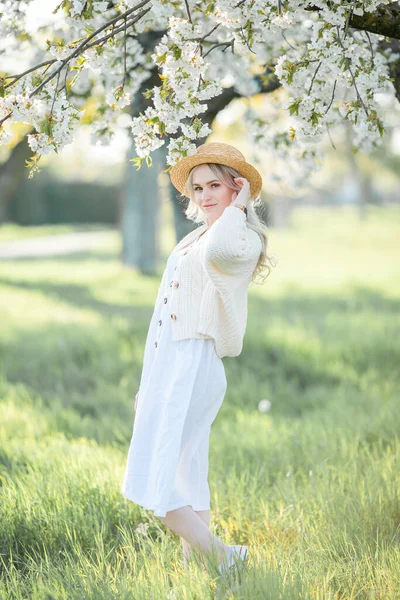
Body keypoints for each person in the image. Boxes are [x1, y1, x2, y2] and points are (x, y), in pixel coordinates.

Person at [120, 142, 274, 574]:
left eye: (216, 186)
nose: (205, 195)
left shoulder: (238, 236)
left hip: (195, 360)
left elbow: (219, 256)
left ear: (235, 189)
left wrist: (239, 209)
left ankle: (226, 556)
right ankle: (201, 572)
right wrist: (148, 381)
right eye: (198, 187)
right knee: (186, 470)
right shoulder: (195, 236)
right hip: (170, 361)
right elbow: (162, 316)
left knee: (154, 477)